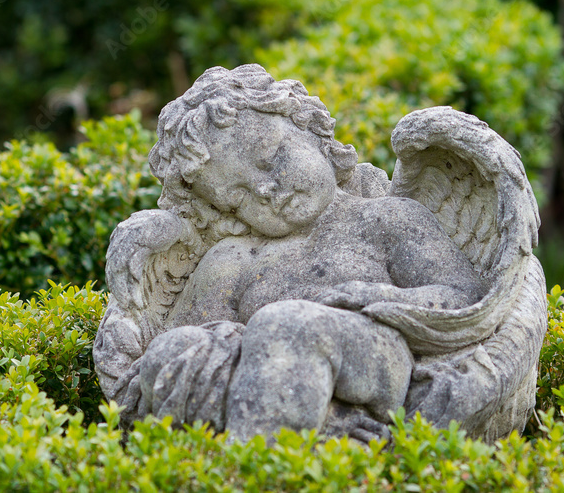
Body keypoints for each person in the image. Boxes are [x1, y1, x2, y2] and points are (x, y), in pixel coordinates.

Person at [101, 64, 486, 441]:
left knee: (288, 325)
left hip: (373, 360)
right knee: (175, 351)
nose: (266, 191)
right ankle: (309, 424)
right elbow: (184, 347)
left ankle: (265, 469)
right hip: (267, 382)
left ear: (307, 127)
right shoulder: (231, 260)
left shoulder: (386, 218)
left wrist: (380, 298)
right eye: (237, 198)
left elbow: (466, 298)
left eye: (270, 159)